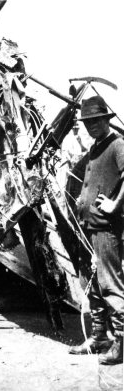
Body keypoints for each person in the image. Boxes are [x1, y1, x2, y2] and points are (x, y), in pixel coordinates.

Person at [69, 95, 124, 365]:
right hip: (88, 227)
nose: (91, 125)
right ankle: (99, 336)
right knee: (91, 284)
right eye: (87, 122)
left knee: (111, 285)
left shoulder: (117, 145)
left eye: (95, 120)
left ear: (106, 119)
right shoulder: (95, 147)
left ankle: (121, 344)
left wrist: (115, 204)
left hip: (106, 228)